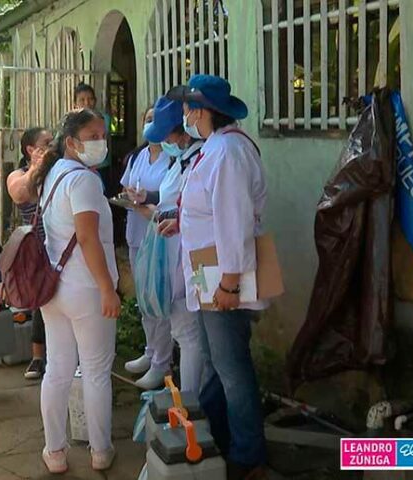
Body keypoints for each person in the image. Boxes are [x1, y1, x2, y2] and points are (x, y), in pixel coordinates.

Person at [162, 74, 268, 479]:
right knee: (219, 364)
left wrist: (230, 283)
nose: (185, 115)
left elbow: (234, 221)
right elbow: (208, 210)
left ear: (202, 111)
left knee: (232, 370)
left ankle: (247, 455)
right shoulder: (216, 149)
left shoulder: (226, 152)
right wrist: (180, 220)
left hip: (224, 274)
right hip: (213, 271)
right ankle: (217, 436)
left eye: (189, 108)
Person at [30, 109, 121, 474]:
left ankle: (54, 452)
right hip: (86, 289)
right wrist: (107, 289)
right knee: (96, 371)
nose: (100, 141)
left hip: (54, 288)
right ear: (71, 142)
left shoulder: (52, 175)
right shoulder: (83, 181)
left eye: (103, 134)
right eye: (92, 135)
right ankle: (100, 451)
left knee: (58, 370)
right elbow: (86, 238)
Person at [143, 95, 206, 394]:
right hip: (175, 251)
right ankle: (189, 396)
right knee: (184, 329)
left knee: (189, 331)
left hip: (189, 255)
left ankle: (191, 402)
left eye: (165, 135)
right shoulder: (182, 159)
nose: (163, 141)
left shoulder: (198, 159)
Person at [120, 106, 173, 391]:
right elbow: (127, 188)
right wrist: (130, 198)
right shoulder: (139, 156)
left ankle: (162, 363)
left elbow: (169, 199)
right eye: (147, 119)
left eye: (156, 119)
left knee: (158, 301)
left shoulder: (172, 157)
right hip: (136, 234)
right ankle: (151, 351)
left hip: (159, 237)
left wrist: (146, 203)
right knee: (143, 300)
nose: (150, 124)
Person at [6, 127, 55, 380]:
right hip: (37, 250)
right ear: (29, 150)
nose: (51, 145)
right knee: (40, 303)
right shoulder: (18, 174)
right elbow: (20, 193)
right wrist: (37, 168)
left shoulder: (58, 169)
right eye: (45, 143)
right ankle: (38, 357)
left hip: (62, 249)